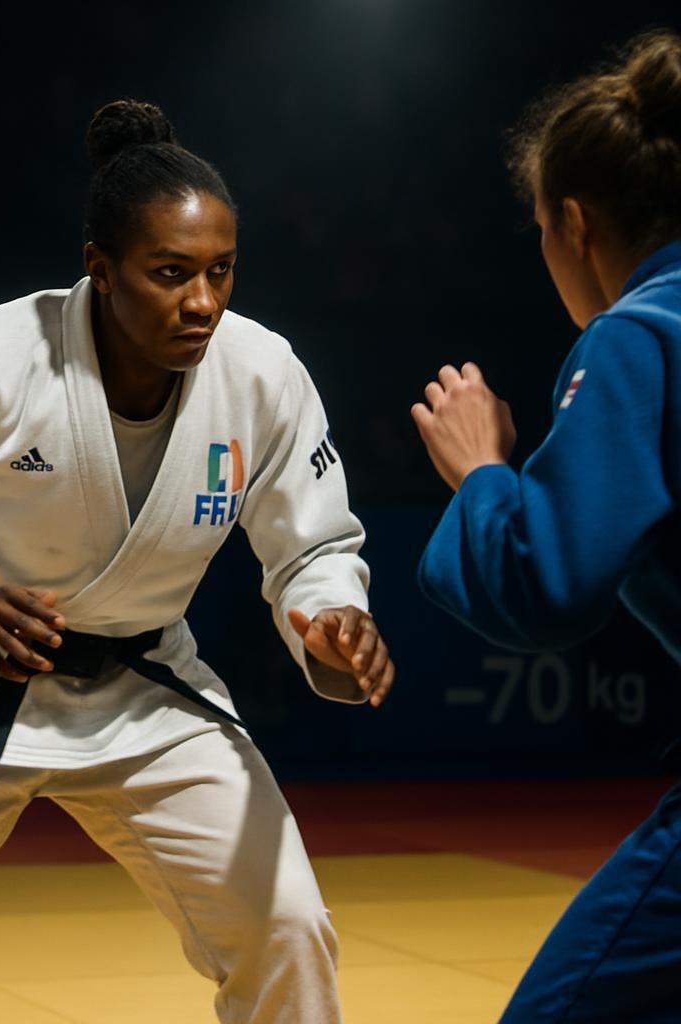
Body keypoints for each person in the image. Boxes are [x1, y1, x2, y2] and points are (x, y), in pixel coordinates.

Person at [0, 99, 395, 1024]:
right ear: (98, 268)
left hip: (146, 691)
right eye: (170, 274)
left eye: (221, 272)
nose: (204, 301)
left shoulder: (263, 375)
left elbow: (314, 543)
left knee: (288, 926)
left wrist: (333, 613)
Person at [411, 30, 681, 1024]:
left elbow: (545, 583)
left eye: (538, 230)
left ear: (573, 223)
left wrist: (481, 470)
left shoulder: (639, 334)